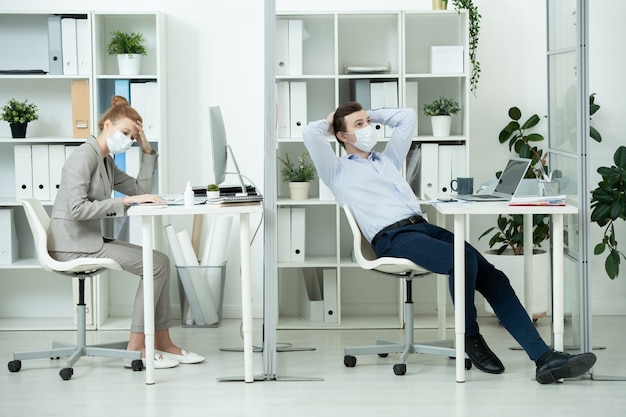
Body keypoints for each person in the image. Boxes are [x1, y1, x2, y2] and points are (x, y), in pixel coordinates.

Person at [302, 102, 596, 384]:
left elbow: (406, 116)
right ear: (342, 135)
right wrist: (334, 118)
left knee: (494, 278)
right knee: (461, 260)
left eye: (369, 122)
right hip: (391, 238)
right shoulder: (336, 170)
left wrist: (366, 113)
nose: (369, 128)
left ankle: (544, 359)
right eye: (359, 125)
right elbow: (309, 134)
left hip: (423, 227)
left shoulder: (387, 158)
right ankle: (470, 337)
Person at [48, 96, 205, 369]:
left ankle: (163, 341)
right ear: (107, 125)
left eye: (132, 136)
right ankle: (136, 347)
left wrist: (146, 150)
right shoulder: (84, 156)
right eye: (125, 133)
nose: (128, 140)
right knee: (155, 265)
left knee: (160, 262)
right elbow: (76, 209)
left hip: (88, 239)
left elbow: (139, 190)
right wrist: (125, 202)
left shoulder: (106, 160)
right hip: (72, 244)